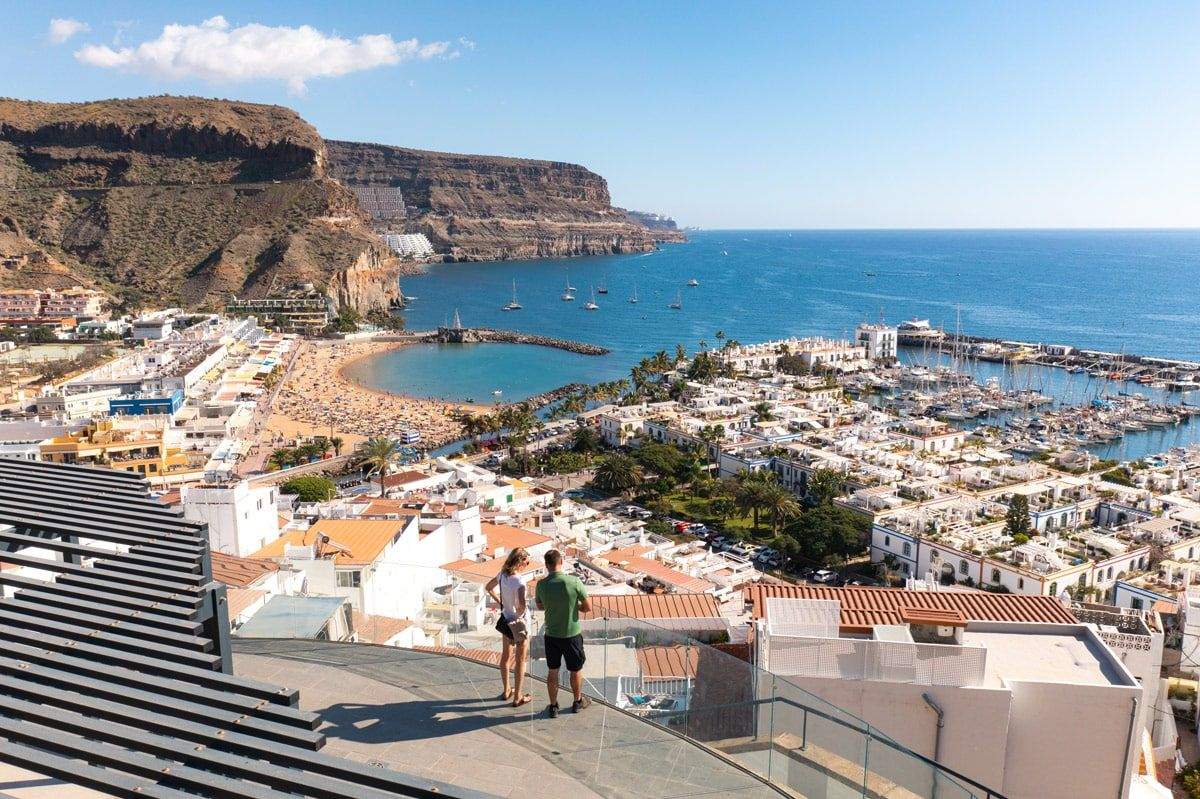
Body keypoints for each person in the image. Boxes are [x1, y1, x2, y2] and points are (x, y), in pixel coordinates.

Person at [534, 549, 591, 717]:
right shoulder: (574, 582)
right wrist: (574, 606)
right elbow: (587, 607)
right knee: (575, 669)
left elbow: (540, 606)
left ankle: (553, 706)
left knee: (553, 670)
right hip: (571, 634)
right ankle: (577, 701)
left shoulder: (541, 584)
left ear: (546, 565)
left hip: (551, 634)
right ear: (561, 562)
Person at [486, 547, 532, 707]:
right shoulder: (519, 581)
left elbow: (488, 587)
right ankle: (517, 696)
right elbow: (521, 606)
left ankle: (506, 690)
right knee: (520, 660)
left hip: (506, 620)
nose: (527, 564)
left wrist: (502, 603)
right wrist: (520, 615)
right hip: (518, 625)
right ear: (520, 562)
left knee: (506, 656)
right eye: (527, 561)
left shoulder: (502, 575)